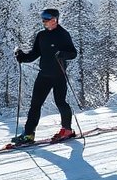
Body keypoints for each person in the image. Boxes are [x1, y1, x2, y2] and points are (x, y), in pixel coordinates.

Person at [11, 8, 78, 145]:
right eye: (42, 19)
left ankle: (67, 129)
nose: (43, 21)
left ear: (55, 20)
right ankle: (29, 134)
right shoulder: (41, 35)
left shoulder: (63, 34)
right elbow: (35, 53)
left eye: (46, 19)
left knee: (60, 102)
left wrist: (62, 54)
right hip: (44, 75)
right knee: (35, 104)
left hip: (59, 75)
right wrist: (23, 57)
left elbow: (73, 53)